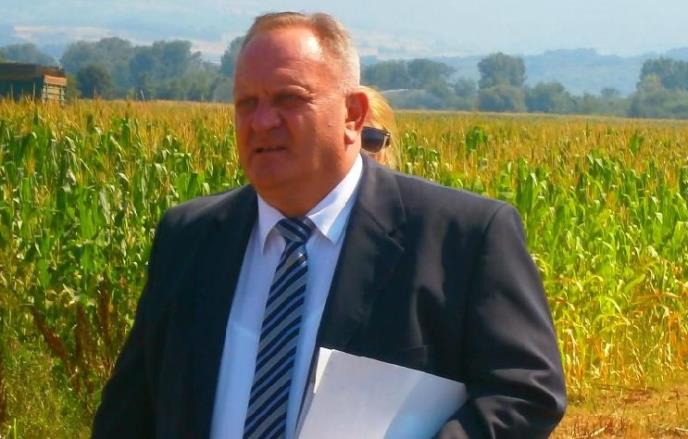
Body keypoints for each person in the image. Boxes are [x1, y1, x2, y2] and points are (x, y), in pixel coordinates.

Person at [92, 11, 566, 439]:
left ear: (353, 115)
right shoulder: (189, 237)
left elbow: (526, 392)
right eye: (246, 103)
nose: (262, 121)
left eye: (288, 99)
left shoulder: (461, 237)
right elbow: (131, 412)